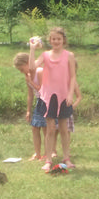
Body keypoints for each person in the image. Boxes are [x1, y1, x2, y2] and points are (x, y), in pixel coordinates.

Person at [29, 27, 78, 171]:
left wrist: (70, 94)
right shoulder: (45, 55)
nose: (56, 41)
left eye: (59, 39)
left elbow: (73, 76)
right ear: (50, 40)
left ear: (63, 40)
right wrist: (32, 49)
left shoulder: (69, 55)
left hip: (64, 96)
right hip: (48, 97)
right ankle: (48, 159)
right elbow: (32, 67)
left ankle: (66, 158)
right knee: (50, 129)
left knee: (64, 129)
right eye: (53, 39)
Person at [13, 52, 47, 161]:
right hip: (39, 102)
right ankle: (37, 153)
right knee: (35, 128)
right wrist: (28, 110)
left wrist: (31, 82)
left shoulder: (39, 71)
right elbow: (30, 94)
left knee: (45, 128)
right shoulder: (27, 76)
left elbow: (43, 90)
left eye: (22, 69)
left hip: (47, 101)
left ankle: (47, 154)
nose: (21, 72)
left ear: (28, 63)